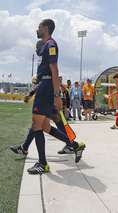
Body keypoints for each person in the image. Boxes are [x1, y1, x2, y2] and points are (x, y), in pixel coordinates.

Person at [10, 19, 85, 174]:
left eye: (39, 27)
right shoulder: (46, 45)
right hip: (45, 87)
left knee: (36, 125)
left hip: (46, 87)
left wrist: (57, 95)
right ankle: (75, 145)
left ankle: (42, 163)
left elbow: (54, 69)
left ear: (46, 28)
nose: (37, 29)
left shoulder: (50, 45)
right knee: (44, 126)